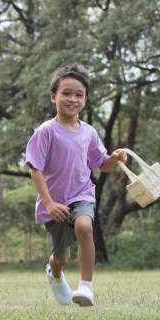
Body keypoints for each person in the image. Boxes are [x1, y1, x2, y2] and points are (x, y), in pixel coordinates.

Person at [25, 64, 127, 307]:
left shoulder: (89, 132)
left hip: (82, 194)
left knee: (84, 227)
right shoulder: (45, 132)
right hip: (54, 203)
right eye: (66, 93)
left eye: (79, 94)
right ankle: (55, 272)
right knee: (62, 256)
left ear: (86, 99)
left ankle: (86, 288)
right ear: (54, 96)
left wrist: (115, 159)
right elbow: (35, 168)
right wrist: (48, 202)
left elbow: (101, 164)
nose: (73, 99)